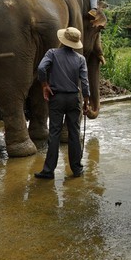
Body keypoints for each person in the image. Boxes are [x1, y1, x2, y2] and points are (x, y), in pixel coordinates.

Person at [34, 27, 91, 179]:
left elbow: (41, 68)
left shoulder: (52, 53)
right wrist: (86, 101)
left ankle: (48, 171)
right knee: (74, 134)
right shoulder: (80, 59)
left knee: (54, 133)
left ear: (62, 40)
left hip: (56, 98)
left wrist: (44, 84)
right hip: (74, 99)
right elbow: (85, 83)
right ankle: (77, 169)